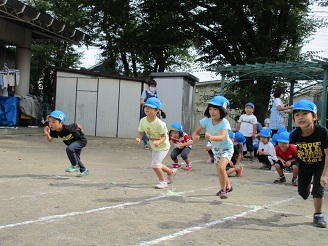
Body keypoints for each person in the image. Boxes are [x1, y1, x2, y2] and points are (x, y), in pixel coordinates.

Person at [290, 99, 328, 228]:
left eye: (305, 113)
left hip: (320, 164)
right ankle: (309, 187)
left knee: (318, 189)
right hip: (304, 164)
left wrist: (325, 174)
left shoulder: (323, 133)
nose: (300, 117)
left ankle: (318, 215)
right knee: (303, 193)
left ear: (315, 116)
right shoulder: (295, 135)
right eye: (297, 115)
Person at [192, 96, 234, 199]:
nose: (212, 111)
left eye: (215, 109)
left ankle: (223, 190)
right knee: (220, 170)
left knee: (221, 167)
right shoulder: (206, 120)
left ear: (223, 110)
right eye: (210, 108)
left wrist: (211, 137)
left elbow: (223, 137)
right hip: (216, 149)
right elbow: (196, 131)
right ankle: (228, 186)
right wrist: (195, 136)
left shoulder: (225, 123)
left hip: (226, 148)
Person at [135, 97, 177, 189]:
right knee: (157, 164)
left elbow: (164, 137)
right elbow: (141, 133)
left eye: (150, 107)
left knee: (155, 164)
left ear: (156, 110)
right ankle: (171, 172)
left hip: (163, 146)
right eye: (146, 106)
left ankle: (163, 181)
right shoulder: (143, 121)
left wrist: (158, 142)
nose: (147, 109)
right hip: (154, 146)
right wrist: (138, 138)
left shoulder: (160, 124)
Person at [43, 110, 89, 177]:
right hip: (73, 144)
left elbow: (77, 125)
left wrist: (82, 131)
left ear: (61, 123)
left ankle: (75, 166)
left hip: (81, 141)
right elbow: (50, 140)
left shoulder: (68, 128)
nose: (51, 124)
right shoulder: (54, 131)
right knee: (75, 158)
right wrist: (47, 134)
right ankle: (84, 170)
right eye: (49, 122)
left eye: (54, 122)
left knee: (69, 149)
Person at [140, 79, 159, 150]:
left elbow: (158, 101)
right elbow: (141, 102)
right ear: (149, 86)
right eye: (151, 86)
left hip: (154, 112)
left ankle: (155, 142)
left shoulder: (156, 92)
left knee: (155, 127)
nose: (153, 87)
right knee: (146, 127)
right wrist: (149, 103)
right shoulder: (145, 92)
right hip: (147, 112)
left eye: (154, 86)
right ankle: (145, 143)